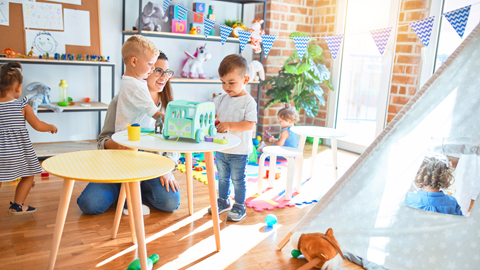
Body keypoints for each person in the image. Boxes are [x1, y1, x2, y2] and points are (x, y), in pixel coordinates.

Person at [77, 52, 181, 215]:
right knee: (89, 204)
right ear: (146, 70)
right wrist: (116, 144)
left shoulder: (169, 106)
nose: (163, 77)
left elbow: (176, 142)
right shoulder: (120, 100)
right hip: (119, 168)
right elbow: (102, 140)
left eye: (167, 72)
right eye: (158, 70)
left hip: (153, 169)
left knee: (170, 202)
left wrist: (167, 169)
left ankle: (136, 193)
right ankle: (125, 193)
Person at [0, 62, 58, 214]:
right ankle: (17, 205)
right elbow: (38, 125)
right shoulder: (22, 106)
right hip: (18, 153)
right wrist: (51, 127)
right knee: (28, 175)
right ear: (18, 87)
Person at [209, 54, 257, 222]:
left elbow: (250, 124)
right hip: (221, 148)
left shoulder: (248, 102)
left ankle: (240, 205)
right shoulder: (221, 99)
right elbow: (211, 113)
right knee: (222, 177)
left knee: (238, 179)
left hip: (239, 150)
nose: (226, 87)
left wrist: (229, 125)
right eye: (223, 82)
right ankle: (223, 200)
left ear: (245, 79)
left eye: (231, 82)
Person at [115, 35, 163, 133]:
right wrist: (177, 122)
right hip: (131, 138)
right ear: (134, 61)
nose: (153, 68)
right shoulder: (136, 87)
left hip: (129, 135)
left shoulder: (129, 81)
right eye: (150, 64)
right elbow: (155, 114)